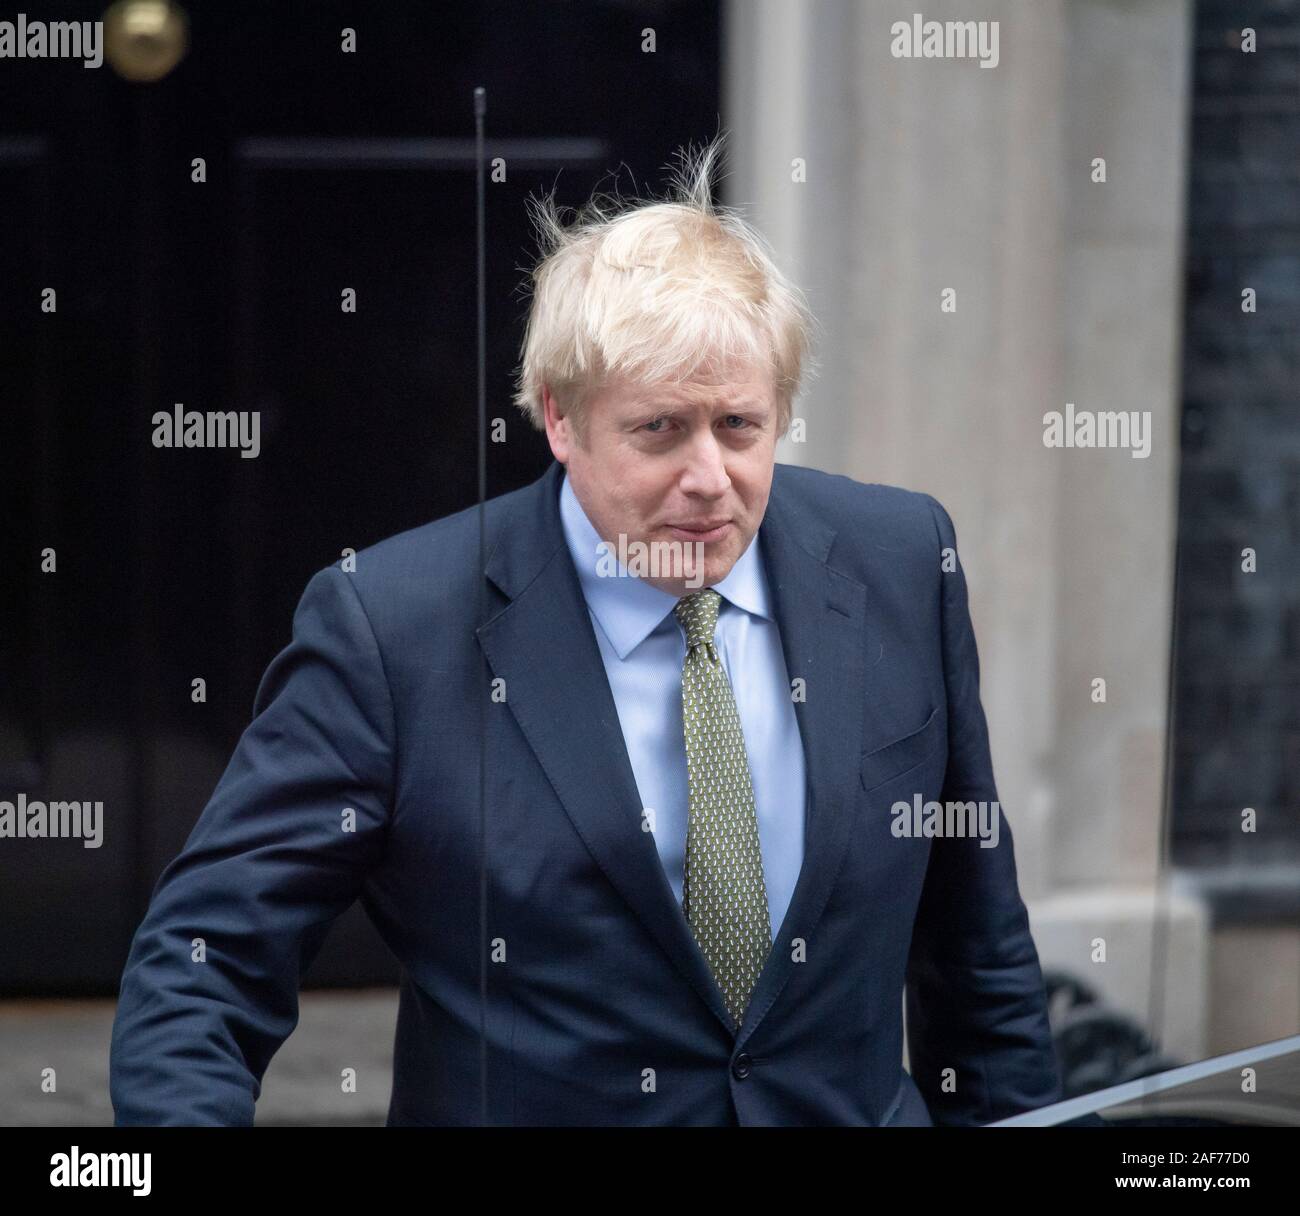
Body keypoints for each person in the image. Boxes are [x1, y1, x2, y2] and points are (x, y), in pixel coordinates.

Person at [110, 136, 1062, 1126]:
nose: (707, 477)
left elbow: (974, 947)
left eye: (739, 427)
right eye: (659, 429)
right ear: (559, 419)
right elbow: (205, 963)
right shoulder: (391, 630)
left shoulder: (901, 560)